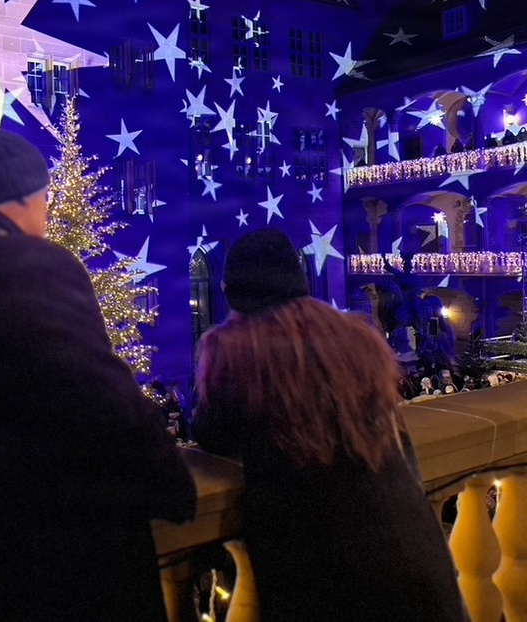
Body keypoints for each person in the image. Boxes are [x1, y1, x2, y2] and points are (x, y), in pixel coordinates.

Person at [0, 128, 197, 622]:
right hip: (65, 563)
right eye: (45, 197)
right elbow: (103, 399)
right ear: (23, 196)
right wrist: (171, 484)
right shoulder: (35, 264)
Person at [192, 229, 468, 622]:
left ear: (230, 290)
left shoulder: (236, 350)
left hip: (324, 573)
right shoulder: (354, 337)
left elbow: (211, 432)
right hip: (412, 552)